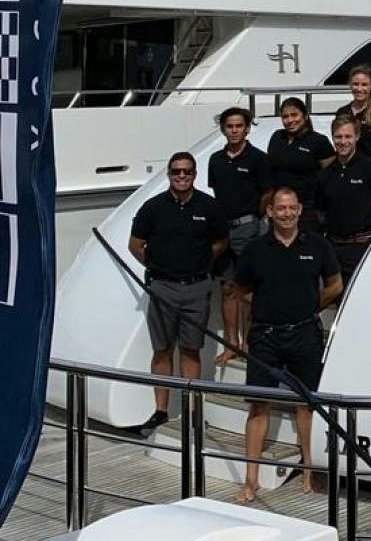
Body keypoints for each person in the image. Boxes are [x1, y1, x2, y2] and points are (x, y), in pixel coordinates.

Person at [234, 186, 342, 504]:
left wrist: (310, 307)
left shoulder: (317, 245)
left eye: (292, 208)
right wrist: (268, 305)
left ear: (299, 210)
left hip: (304, 333)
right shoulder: (255, 249)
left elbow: (335, 284)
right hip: (265, 335)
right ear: (270, 212)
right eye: (281, 208)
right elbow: (239, 290)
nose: (287, 213)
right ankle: (250, 479)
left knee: (306, 405)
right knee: (258, 405)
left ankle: (309, 469)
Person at [128, 151, 228, 435]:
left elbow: (221, 242)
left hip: (197, 287)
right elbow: (135, 245)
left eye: (186, 171)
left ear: (194, 175)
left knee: (191, 349)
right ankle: (160, 411)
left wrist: (198, 262)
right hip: (163, 288)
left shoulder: (209, 207)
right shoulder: (153, 208)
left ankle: (191, 413)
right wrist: (159, 266)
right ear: (168, 174)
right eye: (176, 171)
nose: (181, 176)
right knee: (161, 350)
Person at [206, 106, 272, 365]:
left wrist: (256, 223)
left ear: (246, 129)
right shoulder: (216, 160)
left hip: (248, 228)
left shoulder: (258, 158)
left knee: (248, 288)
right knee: (228, 288)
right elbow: (218, 194)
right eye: (229, 126)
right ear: (223, 129)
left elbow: (267, 193)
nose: (234, 130)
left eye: (238, 126)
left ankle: (248, 343)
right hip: (222, 230)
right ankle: (232, 343)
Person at [318, 114, 371, 286]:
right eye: (338, 137)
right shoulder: (325, 174)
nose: (343, 141)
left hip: (362, 247)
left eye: (348, 136)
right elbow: (320, 214)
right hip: (333, 249)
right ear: (332, 138)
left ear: (357, 137)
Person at [265, 97, 334, 229]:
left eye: (294, 115)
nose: (290, 120)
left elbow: (330, 176)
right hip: (279, 207)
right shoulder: (277, 137)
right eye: (285, 116)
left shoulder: (318, 141)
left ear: (305, 115)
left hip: (307, 209)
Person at [335, 64, 371, 167]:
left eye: (364, 84)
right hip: (347, 170)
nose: (359, 89)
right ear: (350, 84)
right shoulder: (342, 112)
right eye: (355, 84)